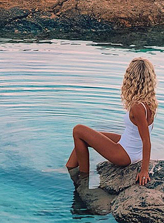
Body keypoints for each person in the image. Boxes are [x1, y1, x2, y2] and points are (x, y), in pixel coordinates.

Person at [66, 57, 156, 187]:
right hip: (132, 148)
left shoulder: (137, 107)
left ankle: (83, 178)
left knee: (78, 130)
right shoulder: (149, 103)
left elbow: (146, 141)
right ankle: (70, 167)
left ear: (131, 78)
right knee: (88, 136)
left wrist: (144, 170)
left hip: (126, 154)